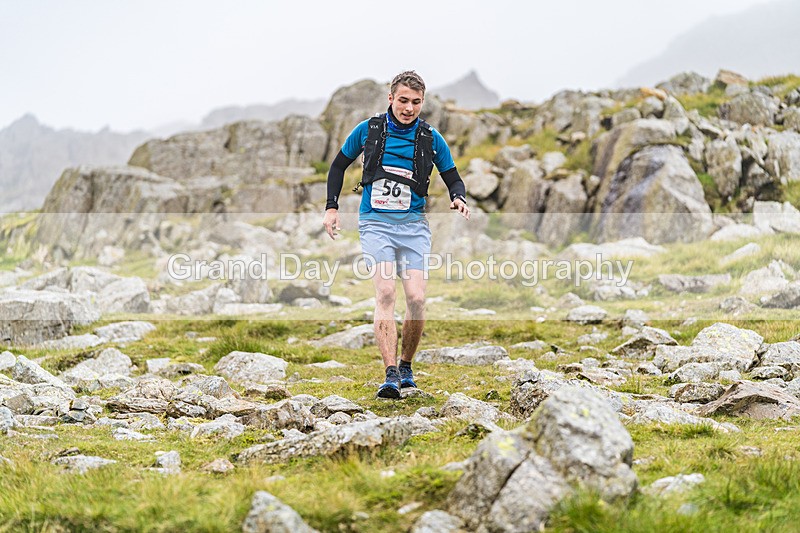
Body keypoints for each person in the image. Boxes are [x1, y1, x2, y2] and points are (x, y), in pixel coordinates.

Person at [323, 70, 470, 399]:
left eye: (416, 102)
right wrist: (332, 207)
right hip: (375, 222)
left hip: (414, 226)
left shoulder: (431, 138)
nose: (409, 108)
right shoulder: (369, 130)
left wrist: (458, 198)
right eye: (403, 101)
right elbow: (337, 166)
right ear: (391, 98)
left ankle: (406, 365)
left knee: (416, 299)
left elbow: (453, 177)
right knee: (387, 293)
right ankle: (390, 374)